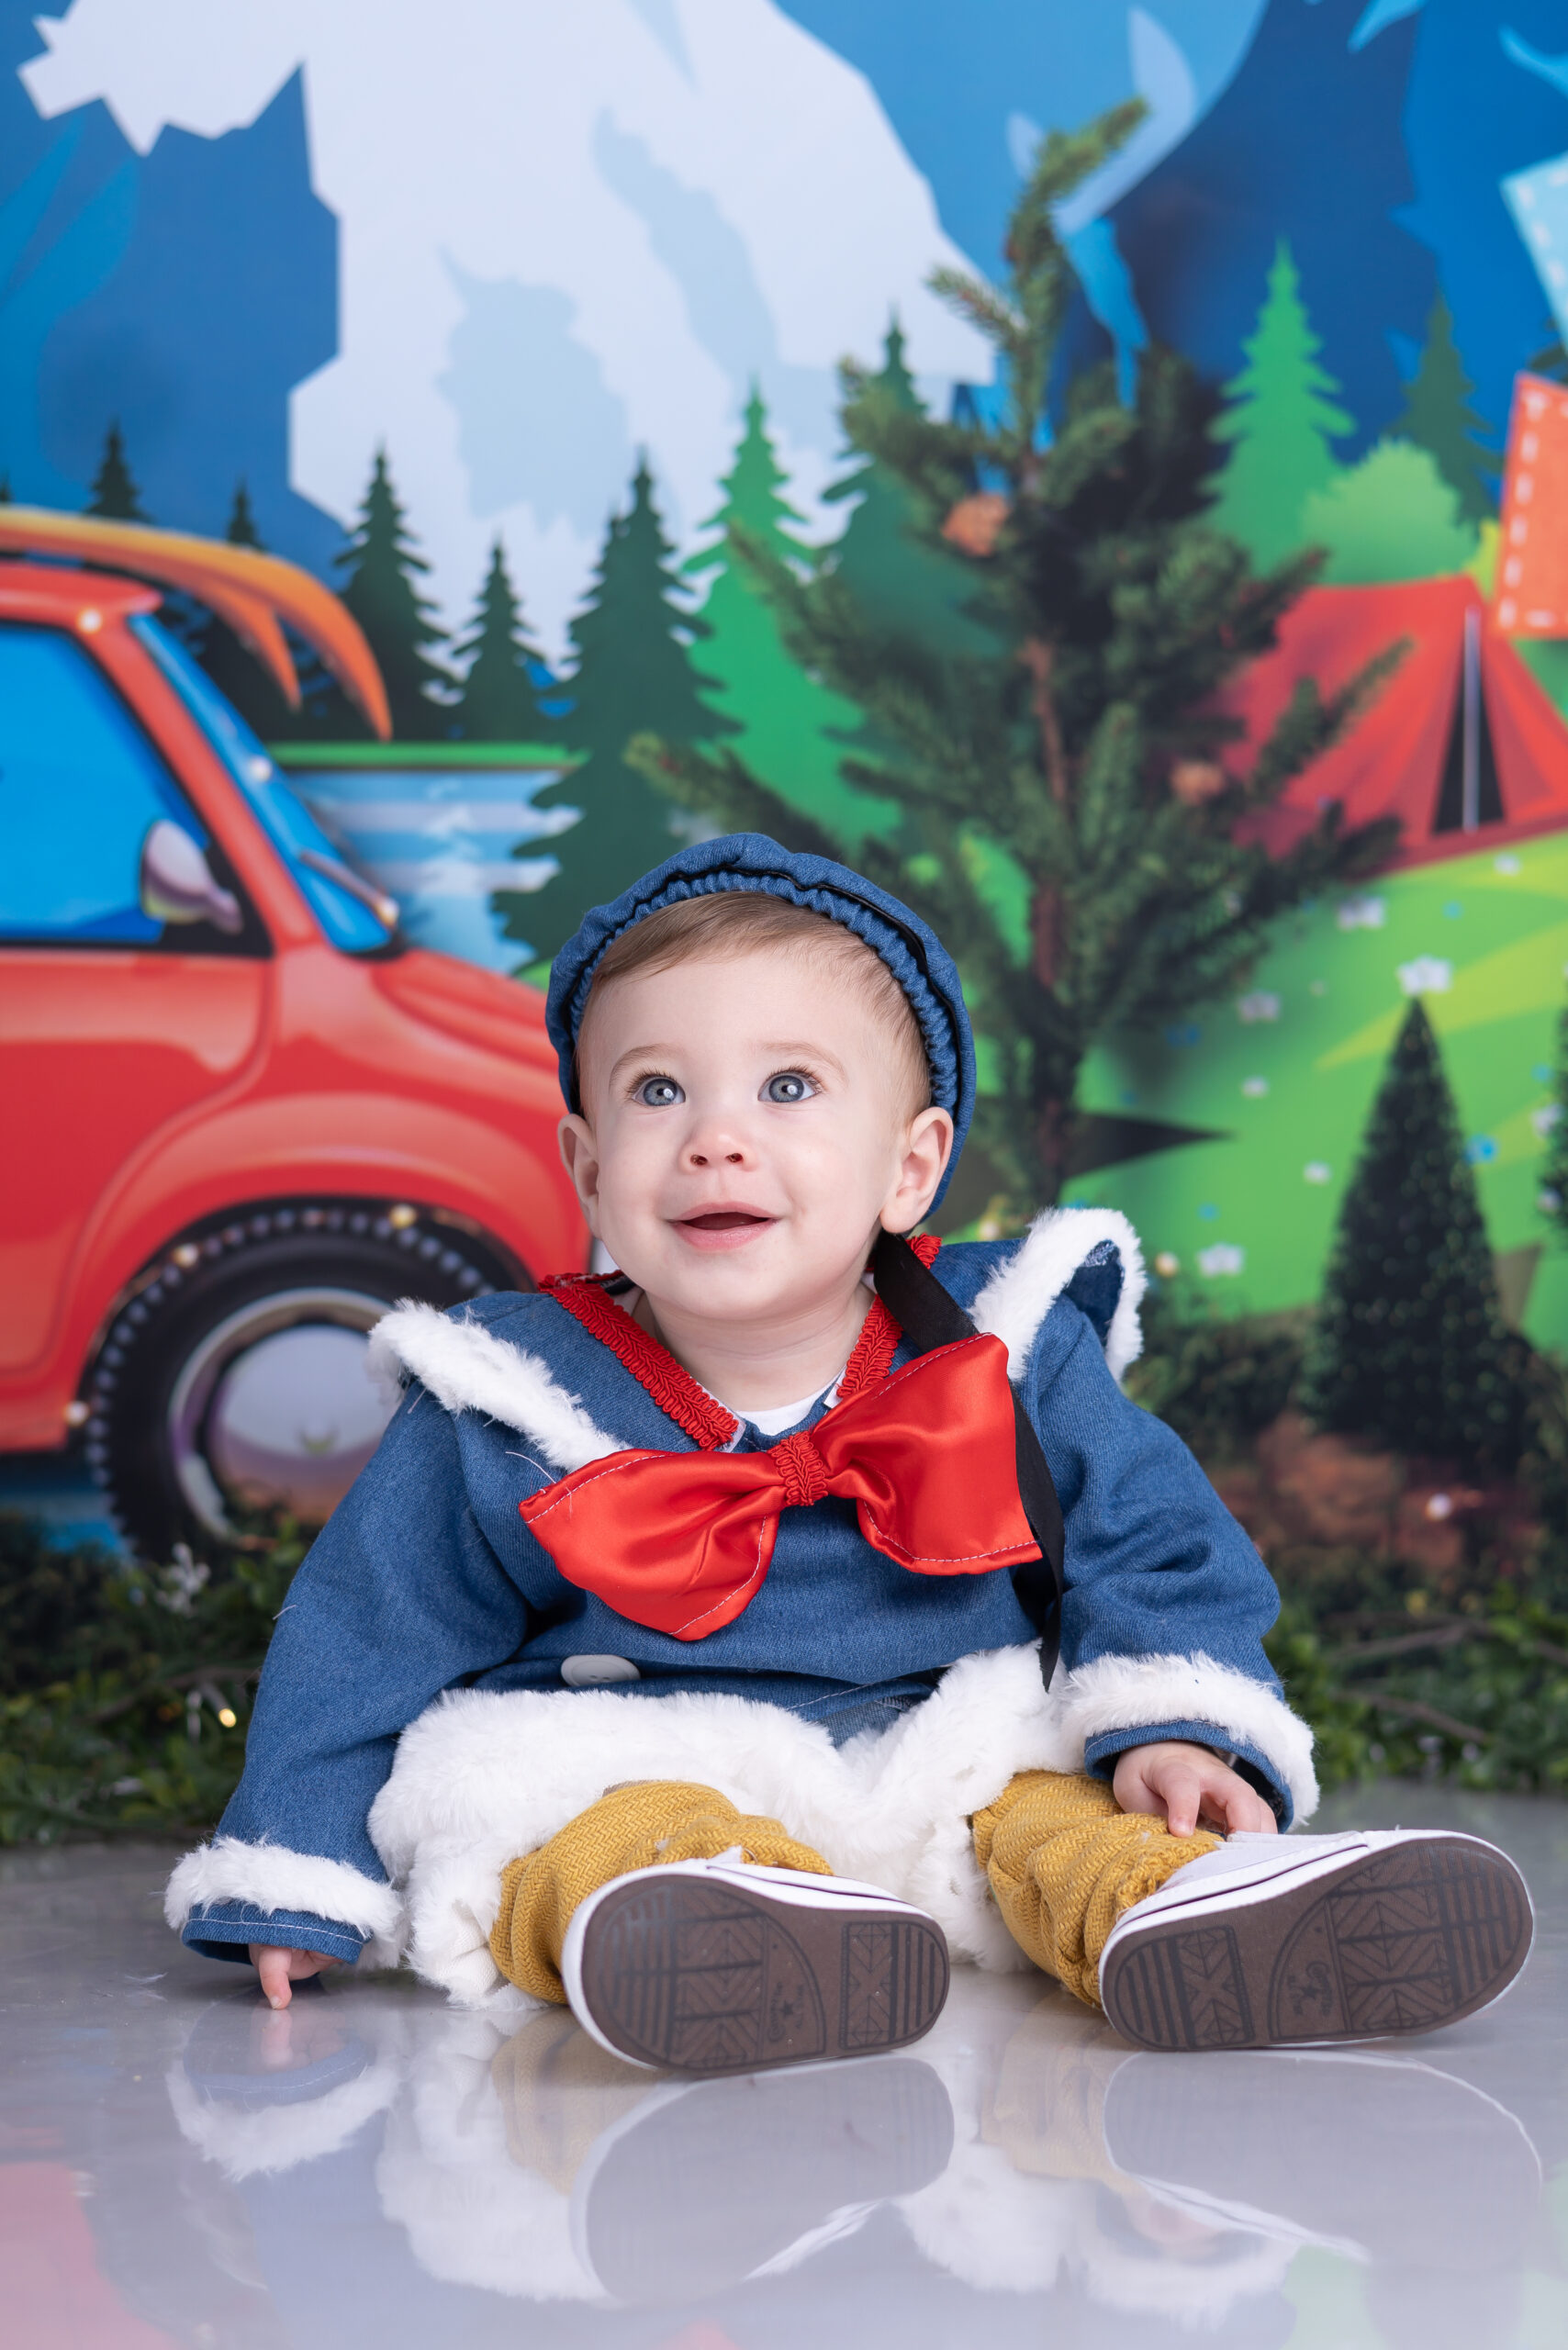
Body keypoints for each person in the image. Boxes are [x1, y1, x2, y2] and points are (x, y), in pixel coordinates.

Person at [166, 835, 1533, 2070]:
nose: (717, 1140)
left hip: (949, 1765)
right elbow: (367, 1628)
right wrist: (297, 1863)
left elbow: (1150, 1536)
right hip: (635, 1759)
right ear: (586, 1167)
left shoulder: (1002, 1349)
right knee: (584, 1841)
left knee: (1066, 1822)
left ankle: (1187, 1914)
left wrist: (1178, 1725)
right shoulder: (513, 1400)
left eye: (788, 1087)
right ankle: (719, 1943)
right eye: (657, 1091)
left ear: (910, 1167)